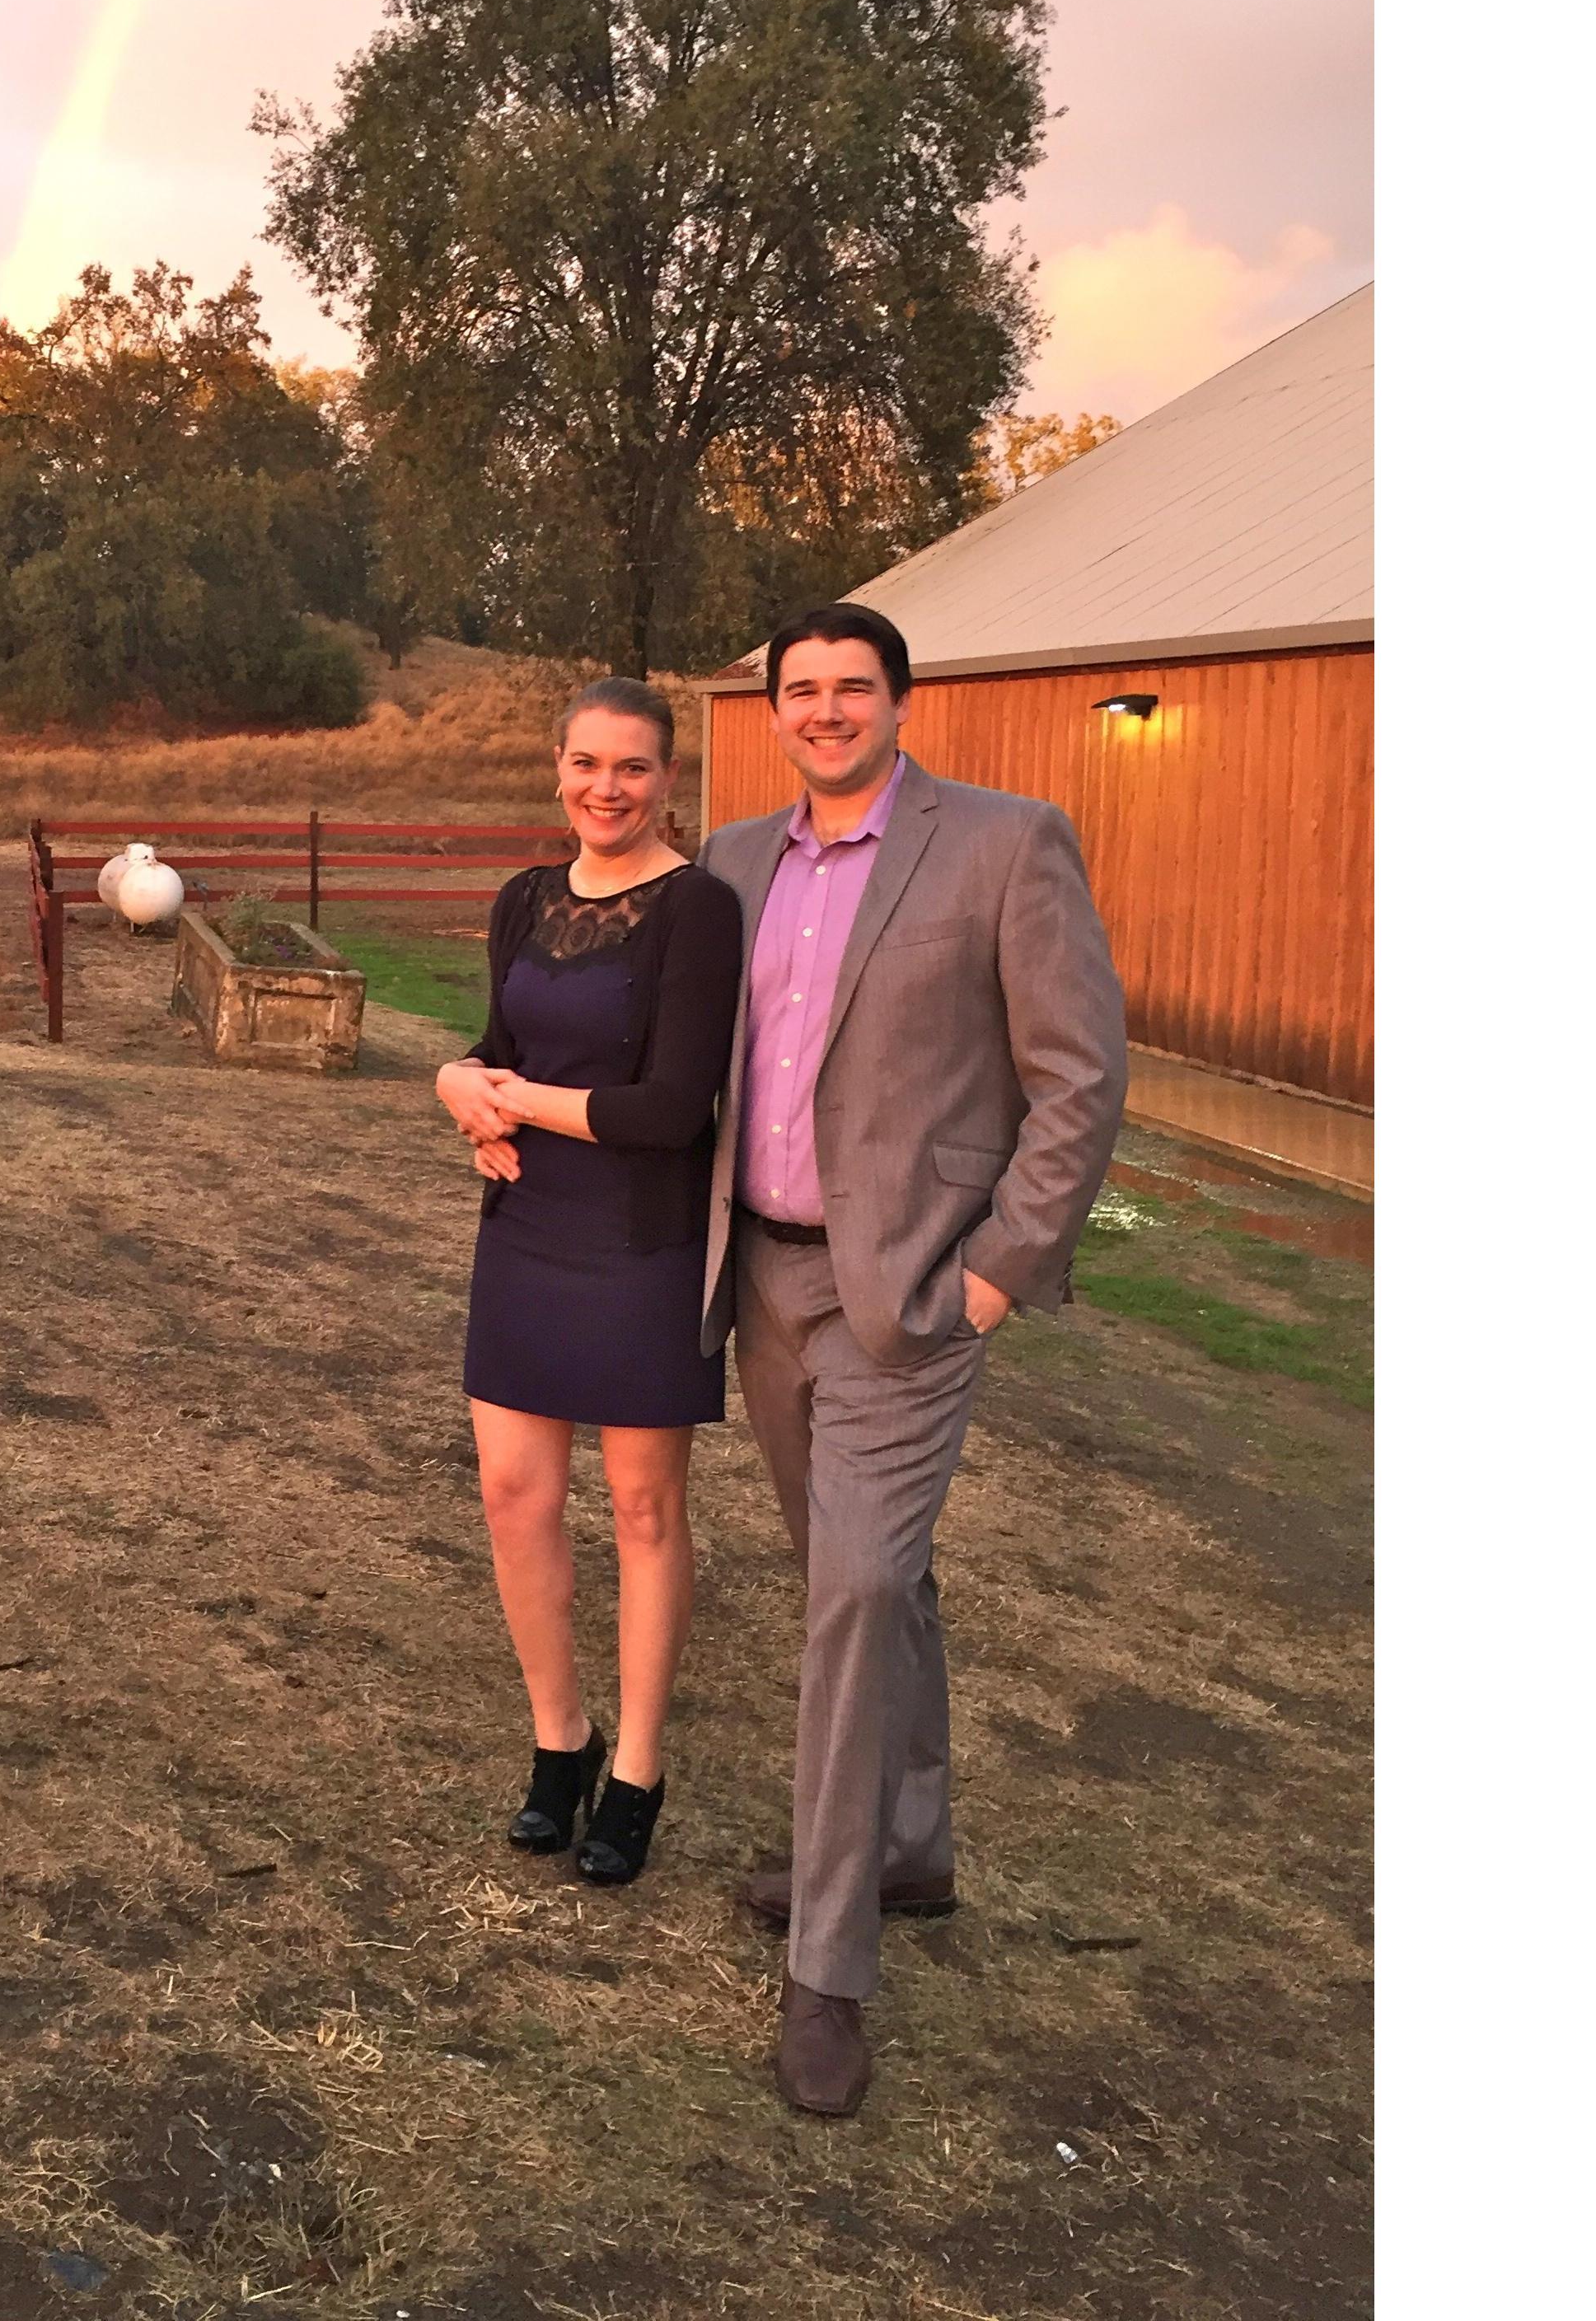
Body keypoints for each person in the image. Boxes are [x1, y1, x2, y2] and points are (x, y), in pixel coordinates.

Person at [697, 601, 1126, 2116]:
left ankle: (831, 1964)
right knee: (879, 1571)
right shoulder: (733, 862)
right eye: (800, 691)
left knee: (854, 1590)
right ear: (774, 713)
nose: (826, 711)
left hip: (914, 1293)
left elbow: (1078, 1075)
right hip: (760, 1278)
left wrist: (1003, 1272)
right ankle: (914, 1844)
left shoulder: (1007, 845)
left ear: (899, 700)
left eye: (852, 688)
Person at [435, 676, 742, 1888]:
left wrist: (516, 1102)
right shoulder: (524, 899)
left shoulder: (699, 910)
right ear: (556, 767)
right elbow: (491, 1051)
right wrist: (458, 1086)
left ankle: (639, 1771)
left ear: (669, 779)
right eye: (585, 764)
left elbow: (674, 1109)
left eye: (631, 768)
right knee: (515, 1493)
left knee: (643, 1507)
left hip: (642, 1239)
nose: (604, 789)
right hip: (527, 1228)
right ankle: (561, 1740)